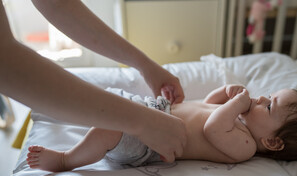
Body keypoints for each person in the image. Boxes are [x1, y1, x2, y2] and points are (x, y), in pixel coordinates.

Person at [0, 1, 186, 162]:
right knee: (106, 134)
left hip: (151, 124)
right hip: (148, 120)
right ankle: (65, 160)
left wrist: (145, 65)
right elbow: (5, 61)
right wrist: (141, 121)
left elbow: (57, 4)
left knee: (107, 134)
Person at [26, 84, 297, 172]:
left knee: (107, 130)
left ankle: (68, 159)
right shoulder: (237, 121)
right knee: (102, 102)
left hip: (148, 146)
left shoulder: (245, 147)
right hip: (153, 112)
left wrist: (235, 105)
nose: (261, 97)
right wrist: (222, 95)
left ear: (274, 142)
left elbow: (210, 127)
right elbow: (207, 107)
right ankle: (52, 107)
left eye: (269, 105)